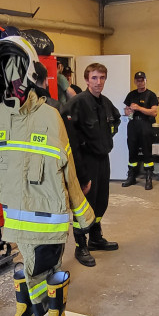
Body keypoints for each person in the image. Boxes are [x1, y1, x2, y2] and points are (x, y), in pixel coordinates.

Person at [0, 37, 95, 316]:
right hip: (15, 218)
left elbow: (68, 168)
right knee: (23, 267)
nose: (13, 83)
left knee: (45, 269)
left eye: (18, 74)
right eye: (7, 74)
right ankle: (25, 312)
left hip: (48, 217)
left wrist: (82, 214)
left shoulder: (50, 117)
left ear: (31, 76)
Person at [62, 63, 122, 267]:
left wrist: (108, 135)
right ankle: (81, 246)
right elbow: (69, 140)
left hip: (102, 159)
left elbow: (116, 119)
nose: (99, 82)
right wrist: (81, 173)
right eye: (95, 78)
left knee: (100, 201)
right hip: (85, 160)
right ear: (87, 80)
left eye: (102, 78)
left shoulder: (105, 103)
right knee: (84, 205)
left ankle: (96, 238)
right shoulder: (77, 103)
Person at [122, 71, 159, 190]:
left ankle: (148, 177)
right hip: (133, 125)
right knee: (132, 150)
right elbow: (126, 110)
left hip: (145, 124)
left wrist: (139, 108)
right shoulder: (131, 95)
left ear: (146, 80)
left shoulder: (151, 95)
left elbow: (154, 112)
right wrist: (127, 111)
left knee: (147, 151)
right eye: (138, 80)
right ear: (135, 81)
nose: (140, 82)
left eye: (142, 80)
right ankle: (131, 176)